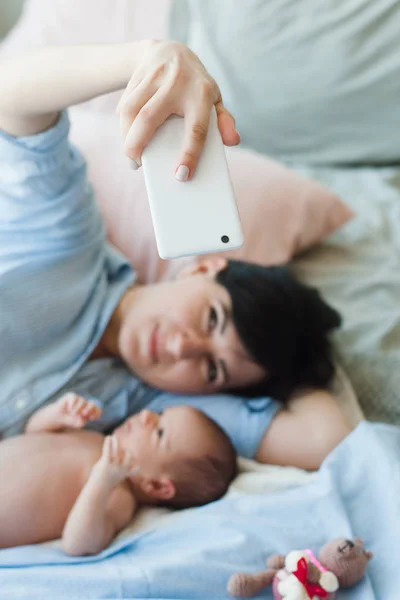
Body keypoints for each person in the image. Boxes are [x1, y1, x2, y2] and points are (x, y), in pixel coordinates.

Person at [0, 39, 351, 473]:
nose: (182, 348)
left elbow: (326, 440)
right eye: (211, 319)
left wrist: (292, 370)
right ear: (203, 267)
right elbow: (12, 100)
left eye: (212, 369)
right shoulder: (67, 242)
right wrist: (143, 57)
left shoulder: (152, 407)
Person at [0, 392, 237, 554]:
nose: (146, 416)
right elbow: (33, 434)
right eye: (160, 413)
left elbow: (78, 543)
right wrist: (56, 414)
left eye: (160, 433)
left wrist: (101, 481)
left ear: (156, 486)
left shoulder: (119, 495)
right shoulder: (95, 437)